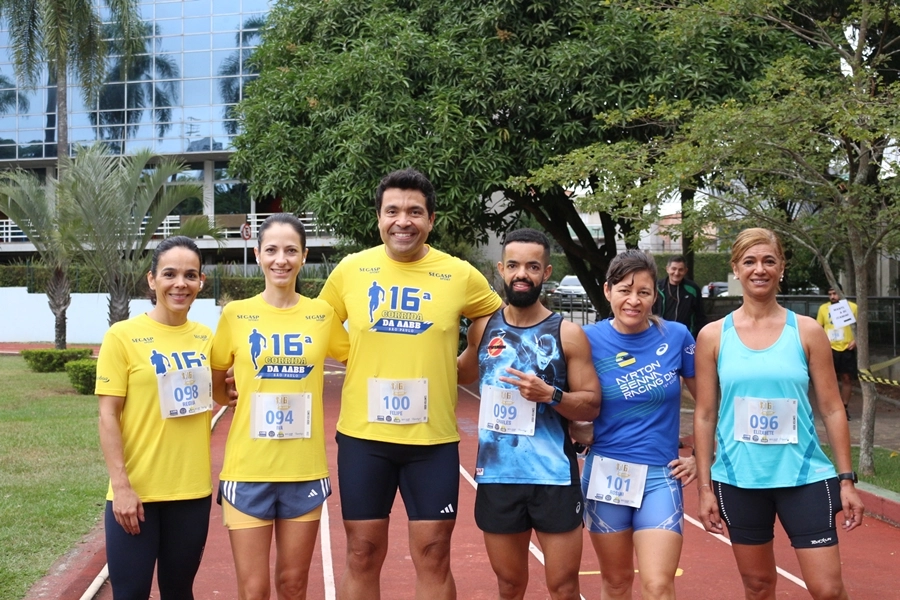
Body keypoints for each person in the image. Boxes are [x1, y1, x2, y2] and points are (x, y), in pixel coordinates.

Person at [318, 167, 503, 600]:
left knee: (435, 553)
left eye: (415, 211)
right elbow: (316, 322)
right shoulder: (351, 270)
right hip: (364, 439)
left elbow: (496, 322)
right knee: (362, 552)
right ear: (379, 218)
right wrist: (353, 355)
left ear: (431, 220)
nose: (404, 220)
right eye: (393, 211)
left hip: (432, 442)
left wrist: (467, 364)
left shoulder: (458, 274)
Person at [694, 228, 864, 600]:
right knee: (757, 587)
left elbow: (833, 408)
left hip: (804, 478)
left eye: (769, 261)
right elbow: (705, 415)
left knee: (828, 589)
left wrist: (847, 480)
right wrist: (704, 487)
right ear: (735, 269)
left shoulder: (807, 331)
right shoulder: (712, 335)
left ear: (781, 268)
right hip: (739, 480)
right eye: (750, 261)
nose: (760, 269)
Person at [210, 213, 349, 600]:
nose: (280, 260)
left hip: (303, 471)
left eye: (290, 251)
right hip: (248, 468)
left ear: (304, 256)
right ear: (258, 254)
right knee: (253, 591)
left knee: (293, 585)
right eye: (271, 250)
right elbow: (215, 372)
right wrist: (227, 397)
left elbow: (359, 357)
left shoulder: (321, 315)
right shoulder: (236, 314)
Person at [457, 228, 601, 600]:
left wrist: (551, 394)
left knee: (564, 587)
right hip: (498, 476)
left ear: (546, 273)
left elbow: (591, 403)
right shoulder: (482, 328)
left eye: (533, 267)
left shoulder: (568, 333)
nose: (523, 274)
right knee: (509, 586)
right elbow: (459, 374)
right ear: (501, 269)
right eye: (515, 266)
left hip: (553, 475)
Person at [575, 249, 697, 600]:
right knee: (615, 583)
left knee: (658, 585)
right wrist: (576, 432)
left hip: (660, 476)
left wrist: (702, 455)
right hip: (606, 474)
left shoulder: (676, 337)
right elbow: (564, 401)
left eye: (643, 292)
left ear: (654, 296)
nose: (633, 300)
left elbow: (707, 404)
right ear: (607, 290)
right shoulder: (585, 339)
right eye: (625, 290)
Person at [97, 236, 214, 599]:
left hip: (192, 493)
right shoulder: (123, 336)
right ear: (152, 280)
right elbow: (107, 414)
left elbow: (227, 392)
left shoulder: (207, 339)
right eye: (170, 274)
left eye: (190, 275)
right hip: (138, 493)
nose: (180, 283)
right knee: (130, 593)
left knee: (179, 591)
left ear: (201, 282)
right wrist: (122, 487)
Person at [816, 284, 858, 421]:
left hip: (846, 348)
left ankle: (844, 407)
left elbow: (861, 327)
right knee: (829, 379)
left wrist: (856, 340)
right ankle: (831, 408)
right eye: (830, 294)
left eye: (835, 293)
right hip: (830, 348)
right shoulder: (823, 309)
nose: (832, 297)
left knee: (846, 378)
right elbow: (818, 327)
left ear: (841, 292)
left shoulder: (852, 307)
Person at [653, 255, 706, 337]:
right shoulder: (657, 287)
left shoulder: (693, 289)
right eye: (673, 269)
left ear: (685, 271)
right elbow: (650, 312)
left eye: (680, 270)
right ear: (667, 269)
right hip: (661, 335)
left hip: (685, 336)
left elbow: (700, 316)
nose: (677, 273)